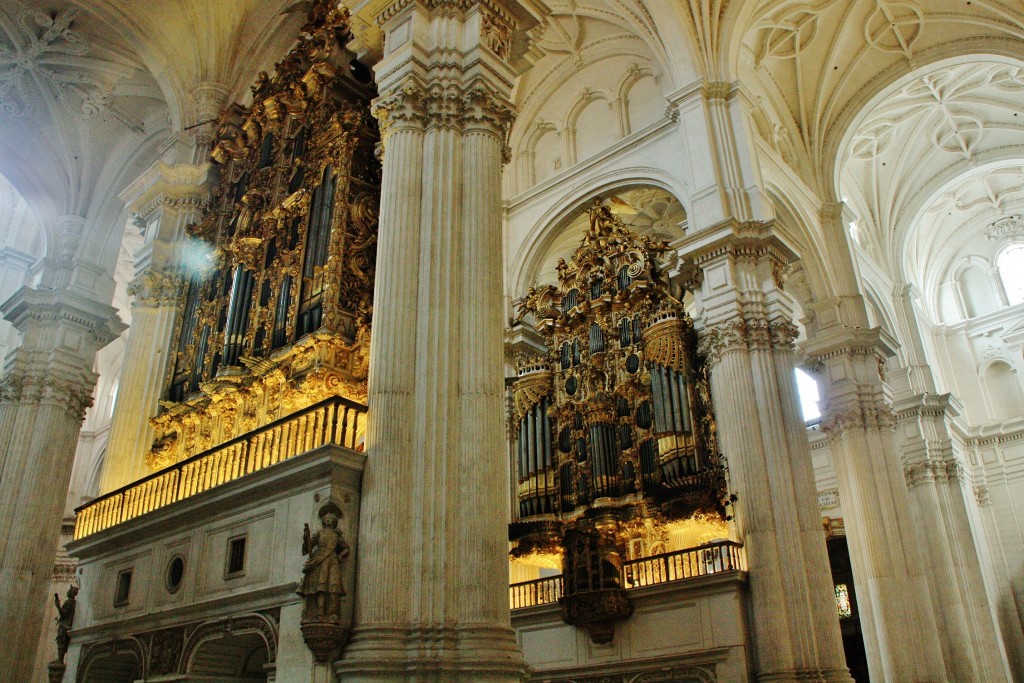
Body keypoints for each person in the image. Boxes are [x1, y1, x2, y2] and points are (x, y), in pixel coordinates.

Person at [298, 501, 350, 621]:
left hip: (332, 561)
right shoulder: (320, 533)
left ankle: (333, 613)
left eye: (331, 519)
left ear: (334, 521)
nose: (329, 520)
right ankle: (319, 612)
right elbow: (309, 546)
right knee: (319, 587)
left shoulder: (337, 535)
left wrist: (340, 556)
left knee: (333, 586)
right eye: (327, 519)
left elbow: (346, 548)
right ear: (324, 520)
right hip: (319, 561)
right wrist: (306, 537)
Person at [54, 585, 78, 663]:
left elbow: (63, 614)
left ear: (71, 593)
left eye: (68, 591)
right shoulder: (74, 603)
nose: (67, 592)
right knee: (63, 643)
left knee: (60, 642)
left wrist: (58, 606)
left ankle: (60, 660)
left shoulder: (68, 602)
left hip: (64, 625)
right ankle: (60, 659)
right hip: (68, 625)